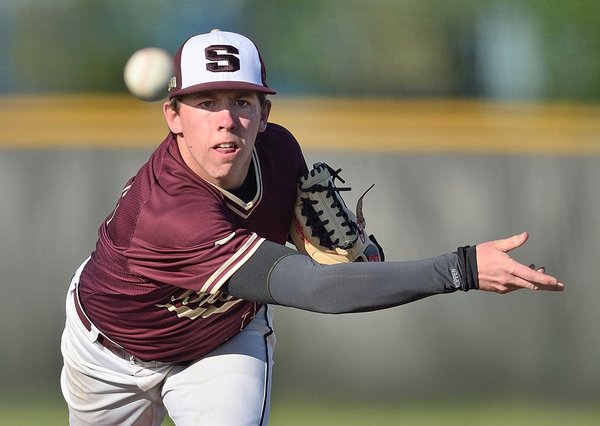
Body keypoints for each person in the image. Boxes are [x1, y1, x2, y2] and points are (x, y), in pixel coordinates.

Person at [59, 29, 564, 425]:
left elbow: (338, 257)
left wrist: (361, 258)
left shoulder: (278, 152)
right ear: (173, 115)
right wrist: (462, 269)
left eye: (242, 101)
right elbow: (318, 286)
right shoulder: (168, 213)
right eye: (206, 102)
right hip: (111, 354)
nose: (226, 120)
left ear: (263, 114)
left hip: (220, 340)